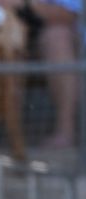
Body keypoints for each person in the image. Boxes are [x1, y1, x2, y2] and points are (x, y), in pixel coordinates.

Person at [5, 0, 81, 149]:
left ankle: (65, 130)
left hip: (45, 35)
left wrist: (27, 5)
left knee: (57, 37)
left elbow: (68, 14)